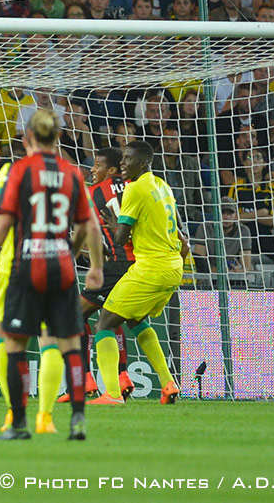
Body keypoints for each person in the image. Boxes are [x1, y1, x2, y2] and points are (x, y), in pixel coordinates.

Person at [0, 110, 101, 441]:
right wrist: (91, 264)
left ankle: (17, 422)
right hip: (62, 265)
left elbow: (0, 218)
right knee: (67, 343)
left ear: (27, 137)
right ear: (57, 138)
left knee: (14, 343)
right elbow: (89, 224)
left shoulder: (18, 170)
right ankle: (74, 419)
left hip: (25, 265)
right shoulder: (72, 172)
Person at [89, 140, 185, 406]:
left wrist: (113, 224)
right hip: (173, 267)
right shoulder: (162, 186)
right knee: (136, 320)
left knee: (104, 324)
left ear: (143, 163)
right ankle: (168, 383)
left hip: (150, 267)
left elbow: (120, 238)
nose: (122, 163)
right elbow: (180, 233)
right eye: (122, 159)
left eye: (128, 159)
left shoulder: (134, 188)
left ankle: (112, 393)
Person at [56, 147, 134, 403]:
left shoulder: (94, 193)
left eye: (98, 165)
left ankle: (83, 382)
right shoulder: (136, 186)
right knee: (114, 318)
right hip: (141, 265)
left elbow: (84, 229)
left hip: (116, 264)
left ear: (111, 170)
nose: (92, 169)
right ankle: (123, 377)